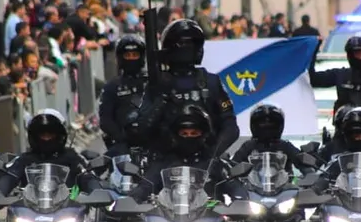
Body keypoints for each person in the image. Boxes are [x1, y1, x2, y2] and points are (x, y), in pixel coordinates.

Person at [137, 19, 240, 158]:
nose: (187, 48)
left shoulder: (211, 82)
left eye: (191, 44)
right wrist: (162, 100)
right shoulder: (158, 84)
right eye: (183, 44)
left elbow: (230, 126)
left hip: (206, 156)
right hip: (165, 160)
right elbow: (143, 128)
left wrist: (213, 153)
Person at [230, 104, 316, 175]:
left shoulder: (285, 146)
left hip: (284, 190)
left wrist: (309, 171)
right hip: (252, 190)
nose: (267, 126)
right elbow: (233, 165)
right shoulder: (248, 146)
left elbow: (301, 160)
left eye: (271, 124)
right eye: (262, 124)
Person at [98, 35, 148, 155]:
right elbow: (105, 119)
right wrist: (122, 137)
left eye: (135, 55)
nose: (131, 59)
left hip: (152, 143)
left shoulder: (152, 82)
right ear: (121, 58)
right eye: (127, 55)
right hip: (123, 145)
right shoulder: (112, 87)